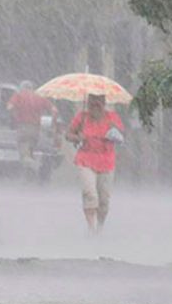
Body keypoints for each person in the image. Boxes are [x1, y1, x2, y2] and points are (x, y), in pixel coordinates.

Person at [66, 93, 124, 234]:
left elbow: (121, 134)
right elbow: (68, 135)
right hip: (85, 159)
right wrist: (77, 137)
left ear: (104, 103)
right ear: (88, 102)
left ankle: (100, 227)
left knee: (103, 201)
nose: (95, 105)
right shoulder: (82, 117)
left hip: (107, 161)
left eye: (99, 101)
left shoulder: (112, 117)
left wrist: (114, 132)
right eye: (92, 101)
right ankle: (91, 228)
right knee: (90, 194)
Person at [7, 81, 58, 172]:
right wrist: (52, 124)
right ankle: (28, 176)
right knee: (30, 150)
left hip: (23, 127)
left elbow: (10, 107)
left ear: (22, 88)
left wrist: (14, 117)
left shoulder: (18, 96)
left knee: (23, 152)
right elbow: (55, 110)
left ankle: (33, 165)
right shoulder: (40, 97)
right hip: (35, 129)